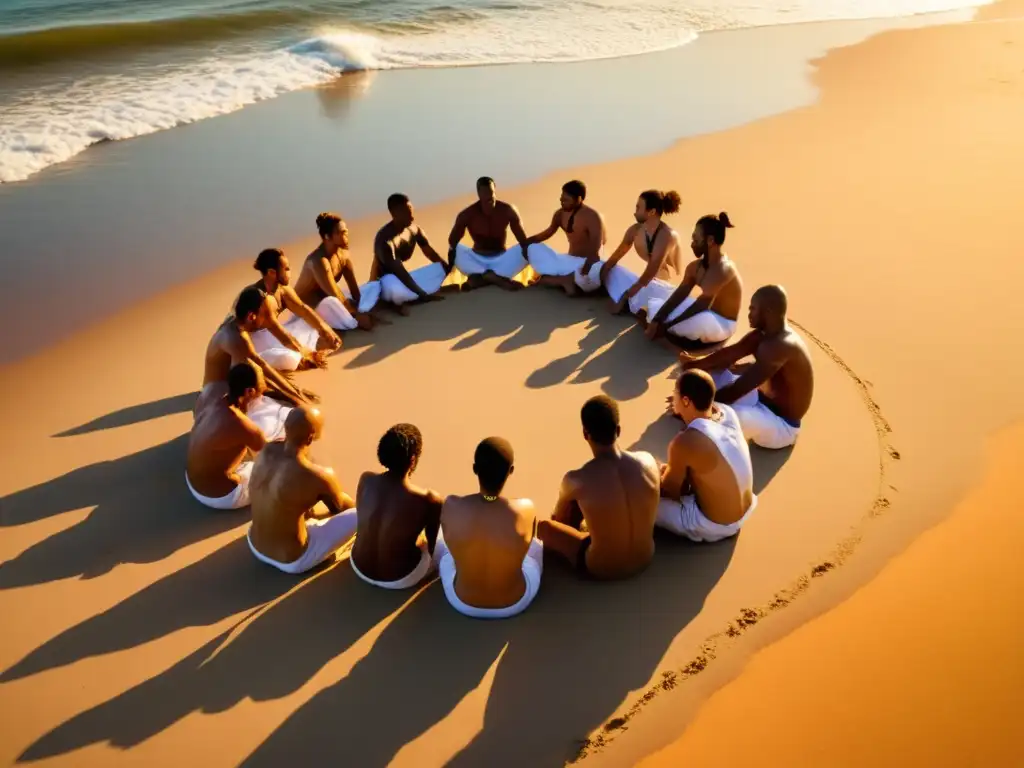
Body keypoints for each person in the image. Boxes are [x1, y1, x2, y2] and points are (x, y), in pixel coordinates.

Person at [674, 285, 814, 449]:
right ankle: (695, 411)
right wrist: (692, 366)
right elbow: (728, 355)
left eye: (753, 309)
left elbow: (737, 390)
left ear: (768, 312)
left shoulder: (780, 346)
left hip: (780, 425)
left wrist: (695, 404)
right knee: (710, 376)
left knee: (726, 416)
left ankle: (696, 422)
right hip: (759, 400)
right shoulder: (763, 335)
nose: (749, 314)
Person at [538, 396, 660, 579]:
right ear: (618, 430)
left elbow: (560, 517)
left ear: (585, 434)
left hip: (601, 568)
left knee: (545, 527)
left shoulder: (577, 479)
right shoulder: (647, 461)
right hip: (646, 557)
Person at [434, 438, 543, 619]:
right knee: (536, 545)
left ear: (475, 469)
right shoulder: (526, 507)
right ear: (511, 471)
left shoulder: (452, 504)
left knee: (445, 539)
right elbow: (531, 541)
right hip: (515, 602)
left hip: (461, 601)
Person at [247, 406, 359, 574]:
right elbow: (342, 508)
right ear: (311, 437)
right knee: (359, 513)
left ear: (286, 428)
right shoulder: (318, 475)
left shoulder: (266, 451)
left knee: (292, 502)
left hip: (254, 544)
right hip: (292, 559)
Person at [202, 286, 314, 440]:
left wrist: (291, 392)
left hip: (233, 384)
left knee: (285, 395)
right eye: (264, 315)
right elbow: (263, 368)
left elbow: (259, 367)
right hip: (218, 399)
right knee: (284, 419)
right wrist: (296, 397)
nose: (267, 319)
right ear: (251, 316)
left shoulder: (235, 322)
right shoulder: (236, 338)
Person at [657, 370, 757, 542]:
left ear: (686, 401)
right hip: (745, 511)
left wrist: (654, 471)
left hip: (715, 525)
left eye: (675, 391)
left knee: (640, 498)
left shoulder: (685, 442)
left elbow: (670, 491)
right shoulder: (727, 413)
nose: (673, 395)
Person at [349, 424, 444, 589]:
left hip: (358, 566)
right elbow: (431, 545)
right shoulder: (429, 499)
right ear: (413, 459)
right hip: (400, 579)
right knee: (444, 542)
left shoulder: (366, 479)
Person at [645, 212, 742, 345]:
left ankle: (670, 331)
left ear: (710, 241)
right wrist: (658, 319)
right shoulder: (694, 267)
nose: (692, 244)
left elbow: (702, 304)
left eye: (696, 240)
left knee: (689, 323)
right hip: (704, 312)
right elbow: (680, 294)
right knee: (657, 309)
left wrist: (667, 326)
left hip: (722, 323)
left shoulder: (723, 269)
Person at [186, 361, 269, 510]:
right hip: (220, 496)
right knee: (277, 475)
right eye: (262, 383)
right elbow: (272, 455)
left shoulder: (211, 399)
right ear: (249, 392)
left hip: (192, 481)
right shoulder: (241, 424)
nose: (265, 386)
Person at [247, 248, 343, 372]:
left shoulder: (283, 289)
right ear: (271, 272)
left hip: (274, 334)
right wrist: (306, 354)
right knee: (290, 358)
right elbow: (281, 335)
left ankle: (304, 352)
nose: (290, 273)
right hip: (256, 342)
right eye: (286, 269)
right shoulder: (262, 298)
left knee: (315, 320)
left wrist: (326, 331)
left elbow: (303, 310)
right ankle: (301, 357)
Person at [293, 212, 384, 332]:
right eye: (340, 233)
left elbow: (355, 290)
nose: (345, 236)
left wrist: (361, 306)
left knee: (374, 287)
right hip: (309, 307)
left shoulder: (342, 255)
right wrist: (356, 314)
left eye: (345, 231)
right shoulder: (317, 261)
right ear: (327, 237)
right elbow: (334, 293)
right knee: (336, 305)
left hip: (330, 299)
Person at [600, 189, 684, 317]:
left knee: (642, 291)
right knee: (610, 269)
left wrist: (626, 296)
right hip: (648, 280)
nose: (635, 212)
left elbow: (652, 270)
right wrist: (601, 274)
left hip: (668, 285)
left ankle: (634, 303)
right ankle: (634, 301)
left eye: (638, 207)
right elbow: (615, 257)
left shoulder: (667, 235)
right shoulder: (635, 231)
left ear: (651, 212)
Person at [522, 179, 607, 295]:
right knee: (534, 248)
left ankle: (557, 280)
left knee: (597, 272)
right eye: (561, 197)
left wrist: (586, 268)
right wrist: (526, 243)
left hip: (587, 263)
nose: (561, 201)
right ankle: (565, 280)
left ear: (579, 199)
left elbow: (596, 248)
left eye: (566, 199)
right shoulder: (560, 214)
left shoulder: (592, 216)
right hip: (568, 262)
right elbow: (547, 233)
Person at [448, 177, 531, 291]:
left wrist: (527, 252)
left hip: (501, 260)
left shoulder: (507, 210)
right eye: (485, 193)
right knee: (454, 249)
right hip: (477, 260)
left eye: (491, 192)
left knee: (531, 248)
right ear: (478, 194)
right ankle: (495, 278)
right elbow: (452, 241)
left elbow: (522, 240)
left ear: (495, 190)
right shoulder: (467, 214)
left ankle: (480, 280)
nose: (489, 196)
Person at [372, 193, 450, 313]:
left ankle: (412, 295)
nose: (412, 216)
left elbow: (430, 253)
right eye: (406, 212)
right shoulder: (385, 240)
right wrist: (422, 294)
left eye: (411, 210)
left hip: (406, 278)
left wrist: (448, 270)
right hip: (387, 282)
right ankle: (403, 298)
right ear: (394, 214)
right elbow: (399, 271)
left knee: (439, 268)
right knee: (396, 291)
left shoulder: (414, 229)